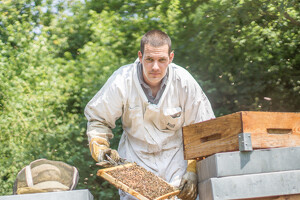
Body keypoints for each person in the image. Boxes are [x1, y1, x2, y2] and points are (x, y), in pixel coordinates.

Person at [84, 30, 215, 200]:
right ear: (140, 56)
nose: (155, 67)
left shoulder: (183, 81)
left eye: (162, 60)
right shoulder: (122, 80)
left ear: (171, 57)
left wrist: (192, 170)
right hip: (135, 162)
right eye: (149, 59)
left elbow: (201, 128)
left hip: (176, 161)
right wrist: (100, 149)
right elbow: (98, 119)